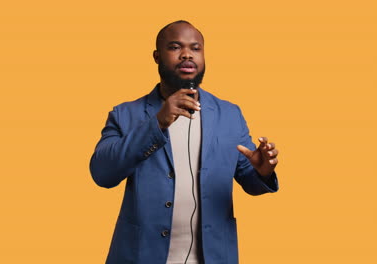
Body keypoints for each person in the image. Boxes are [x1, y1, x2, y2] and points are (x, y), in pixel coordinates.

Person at [89, 20, 280, 264]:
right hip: (141, 257)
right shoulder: (125, 114)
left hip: (213, 257)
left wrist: (261, 173)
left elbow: (249, 182)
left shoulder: (230, 114)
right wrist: (157, 123)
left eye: (196, 48)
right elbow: (102, 174)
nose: (187, 54)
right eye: (175, 47)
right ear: (157, 56)